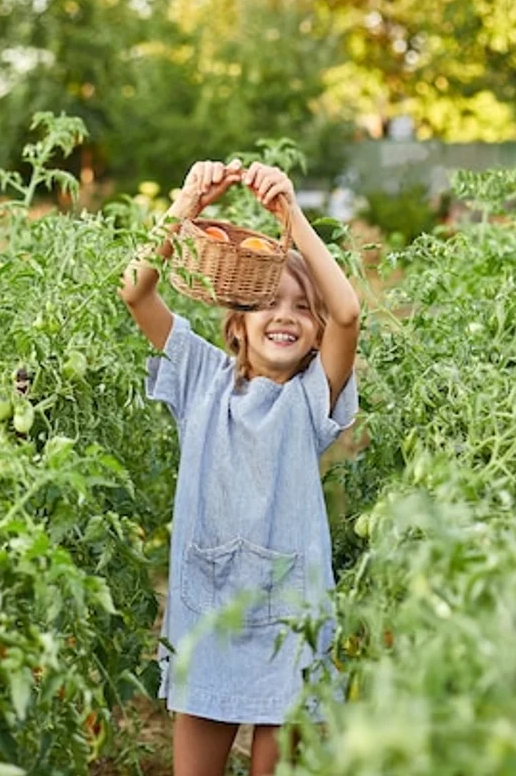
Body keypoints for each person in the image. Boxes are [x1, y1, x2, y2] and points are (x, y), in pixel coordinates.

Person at [118, 158, 361, 776]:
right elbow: (135, 290)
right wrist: (186, 204)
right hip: (208, 612)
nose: (285, 316)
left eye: (302, 309)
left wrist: (290, 216)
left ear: (314, 334)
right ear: (237, 323)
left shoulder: (312, 396)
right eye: (269, 303)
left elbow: (350, 312)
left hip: (291, 620)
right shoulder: (202, 377)